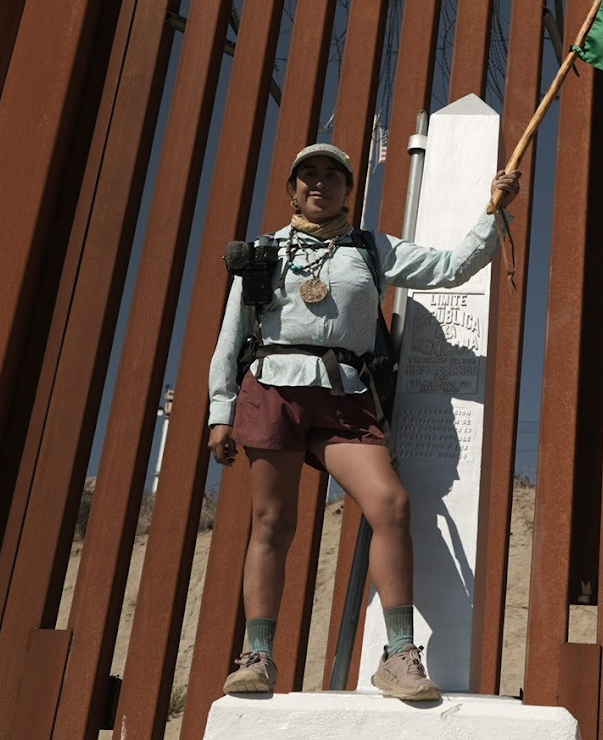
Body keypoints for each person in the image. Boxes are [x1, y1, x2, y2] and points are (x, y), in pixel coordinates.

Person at [208, 142, 520, 700]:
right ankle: (258, 655)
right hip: (273, 385)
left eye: (333, 176)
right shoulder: (262, 252)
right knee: (273, 522)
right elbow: (232, 334)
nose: (319, 184)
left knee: (391, 504)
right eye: (308, 175)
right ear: (292, 189)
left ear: (349, 191)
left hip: (345, 392)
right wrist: (219, 411)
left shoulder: (371, 249)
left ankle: (399, 655)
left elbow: (450, 268)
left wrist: (493, 212)